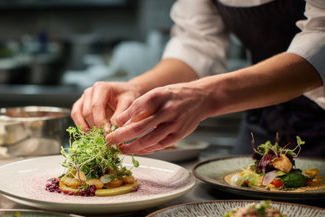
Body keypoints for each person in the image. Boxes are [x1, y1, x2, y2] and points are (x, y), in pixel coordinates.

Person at [71, 0, 325, 157]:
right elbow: (197, 45)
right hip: (262, 127)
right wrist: (135, 87)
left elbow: (320, 41)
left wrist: (208, 96)